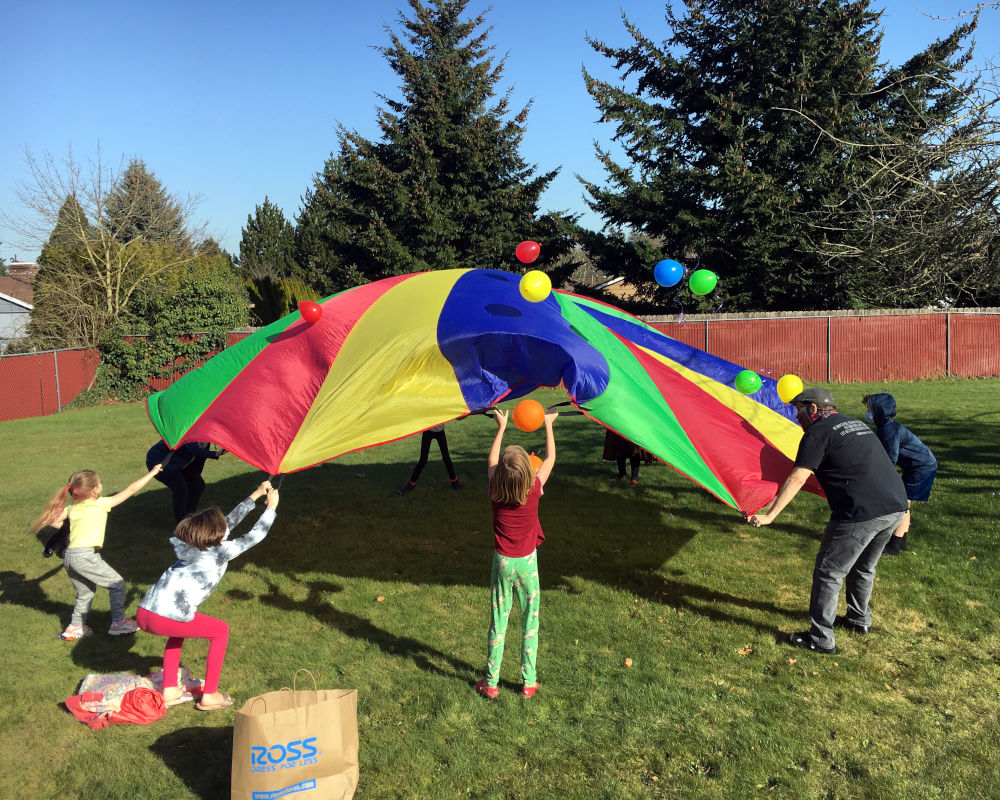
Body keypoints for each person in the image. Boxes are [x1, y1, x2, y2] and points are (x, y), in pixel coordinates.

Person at [747, 387, 908, 654]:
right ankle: (859, 620)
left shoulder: (817, 432)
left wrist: (770, 515)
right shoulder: (854, 423)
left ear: (813, 409)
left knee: (829, 573)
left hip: (860, 513)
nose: (797, 416)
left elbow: (797, 477)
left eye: (800, 410)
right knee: (863, 567)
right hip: (895, 506)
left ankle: (820, 639)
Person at [137, 480, 279, 710]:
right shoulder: (218, 553)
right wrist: (271, 508)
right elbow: (254, 536)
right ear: (215, 534)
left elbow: (227, 523)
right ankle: (210, 696)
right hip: (164, 617)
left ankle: (171, 690)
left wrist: (255, 495)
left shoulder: (191, 543)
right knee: (220, 631)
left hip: (145, 612)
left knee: (179, 631)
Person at [475, 407, 557, 699]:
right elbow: (550, 459)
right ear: (528, 473)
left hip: (502, 563)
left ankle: (491, 683)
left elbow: (492, 460)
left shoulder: (495, 489)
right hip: (527, 564)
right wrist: (548, 424)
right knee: (529, 619)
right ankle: (528, 682)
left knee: (499, 620)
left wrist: (502, 426)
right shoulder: (533, 488)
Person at [29, 465, 164, 640]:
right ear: (94, 490)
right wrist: (152, 473)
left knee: (85, 592)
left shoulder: (72, 509)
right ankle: (119, 623)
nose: (101, 486)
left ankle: (75, 627)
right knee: (117, 584)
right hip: (85, 556)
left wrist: (70, 526)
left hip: (70, 556)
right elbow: (131, 490)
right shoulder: (101, 503)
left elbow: (50, 520)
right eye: (99, 484)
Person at [863, 393, 937, 555]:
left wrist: (878, 476)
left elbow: (891, 457)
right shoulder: (886, 426)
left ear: (879, 410)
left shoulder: (889, 429)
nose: (868, 412)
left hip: (921, 467)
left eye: (870, 409)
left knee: (902, 504)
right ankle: (901, 543)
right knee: (904, 504)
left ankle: (894, 546)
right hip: (916, 466)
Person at [146, 440, 223, 522]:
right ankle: (181, 524)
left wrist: (195, 476)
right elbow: (194, 450)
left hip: (179, 461)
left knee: (198, 484)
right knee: (180, 488)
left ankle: (189, 517)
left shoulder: (206, 439)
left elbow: (200, 460)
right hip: (160, 460)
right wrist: (215, 454)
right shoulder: (190, 431)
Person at [397, 424, 460, 494]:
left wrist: (467, 414)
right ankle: (411, 484)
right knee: (423, 460)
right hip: (428, 431)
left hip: (440, 432)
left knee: (446, 458)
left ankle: (455, 482)